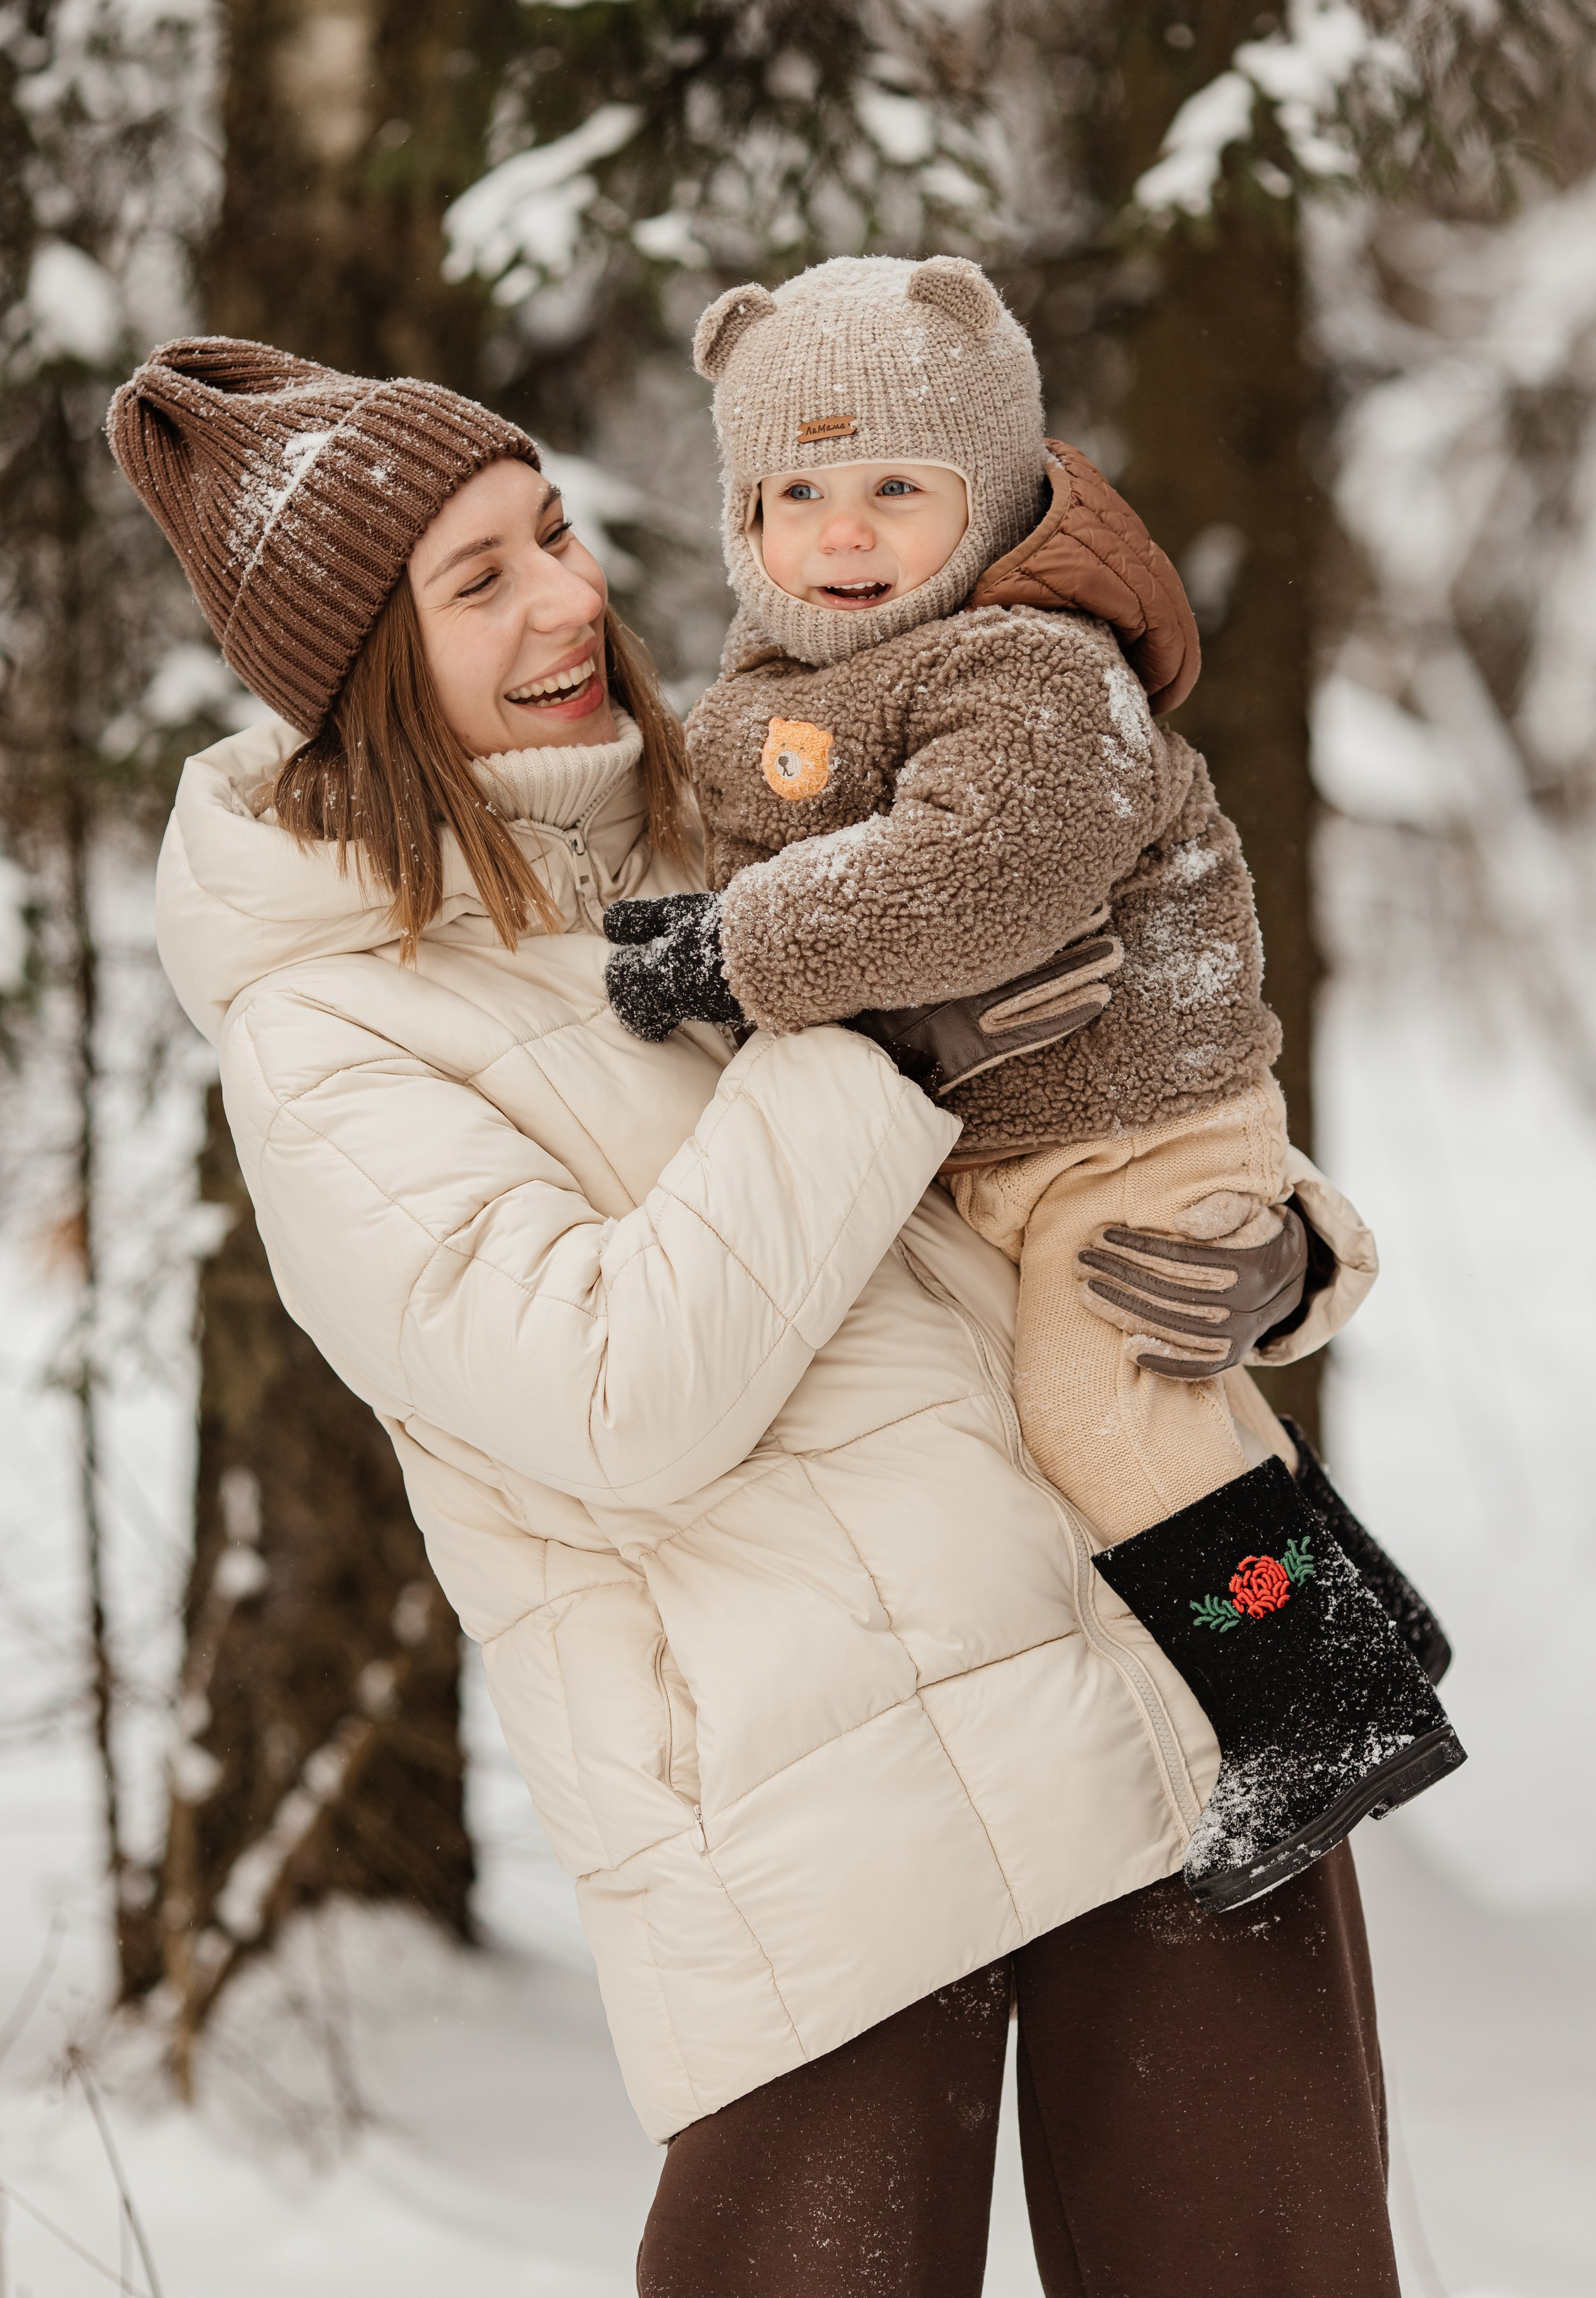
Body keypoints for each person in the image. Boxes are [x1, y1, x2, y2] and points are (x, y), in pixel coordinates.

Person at [115, 336, 1404, 2294]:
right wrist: (865, 1044)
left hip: (1192, 1661)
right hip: (830, 1822)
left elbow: (1109, 1071)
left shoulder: (753, 807)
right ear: (360, 673)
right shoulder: (331, 1034)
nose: (567, 593)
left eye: (551, 527)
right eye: (478, 580)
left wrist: (1288, 1249)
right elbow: (617, 1390)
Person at [600, 254, 1463, 1909]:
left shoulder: (1032, 669)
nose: (839, 534)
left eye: (894, 489)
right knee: (1136, 1414)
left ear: (986, 496)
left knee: (1101, 1406)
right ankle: (1361, 1609)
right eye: (795, 492)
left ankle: (1322, 1703)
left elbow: (979, 876)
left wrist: (726, 952)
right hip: (1010, 1148)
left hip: (1131, 1126)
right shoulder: (779, 689)